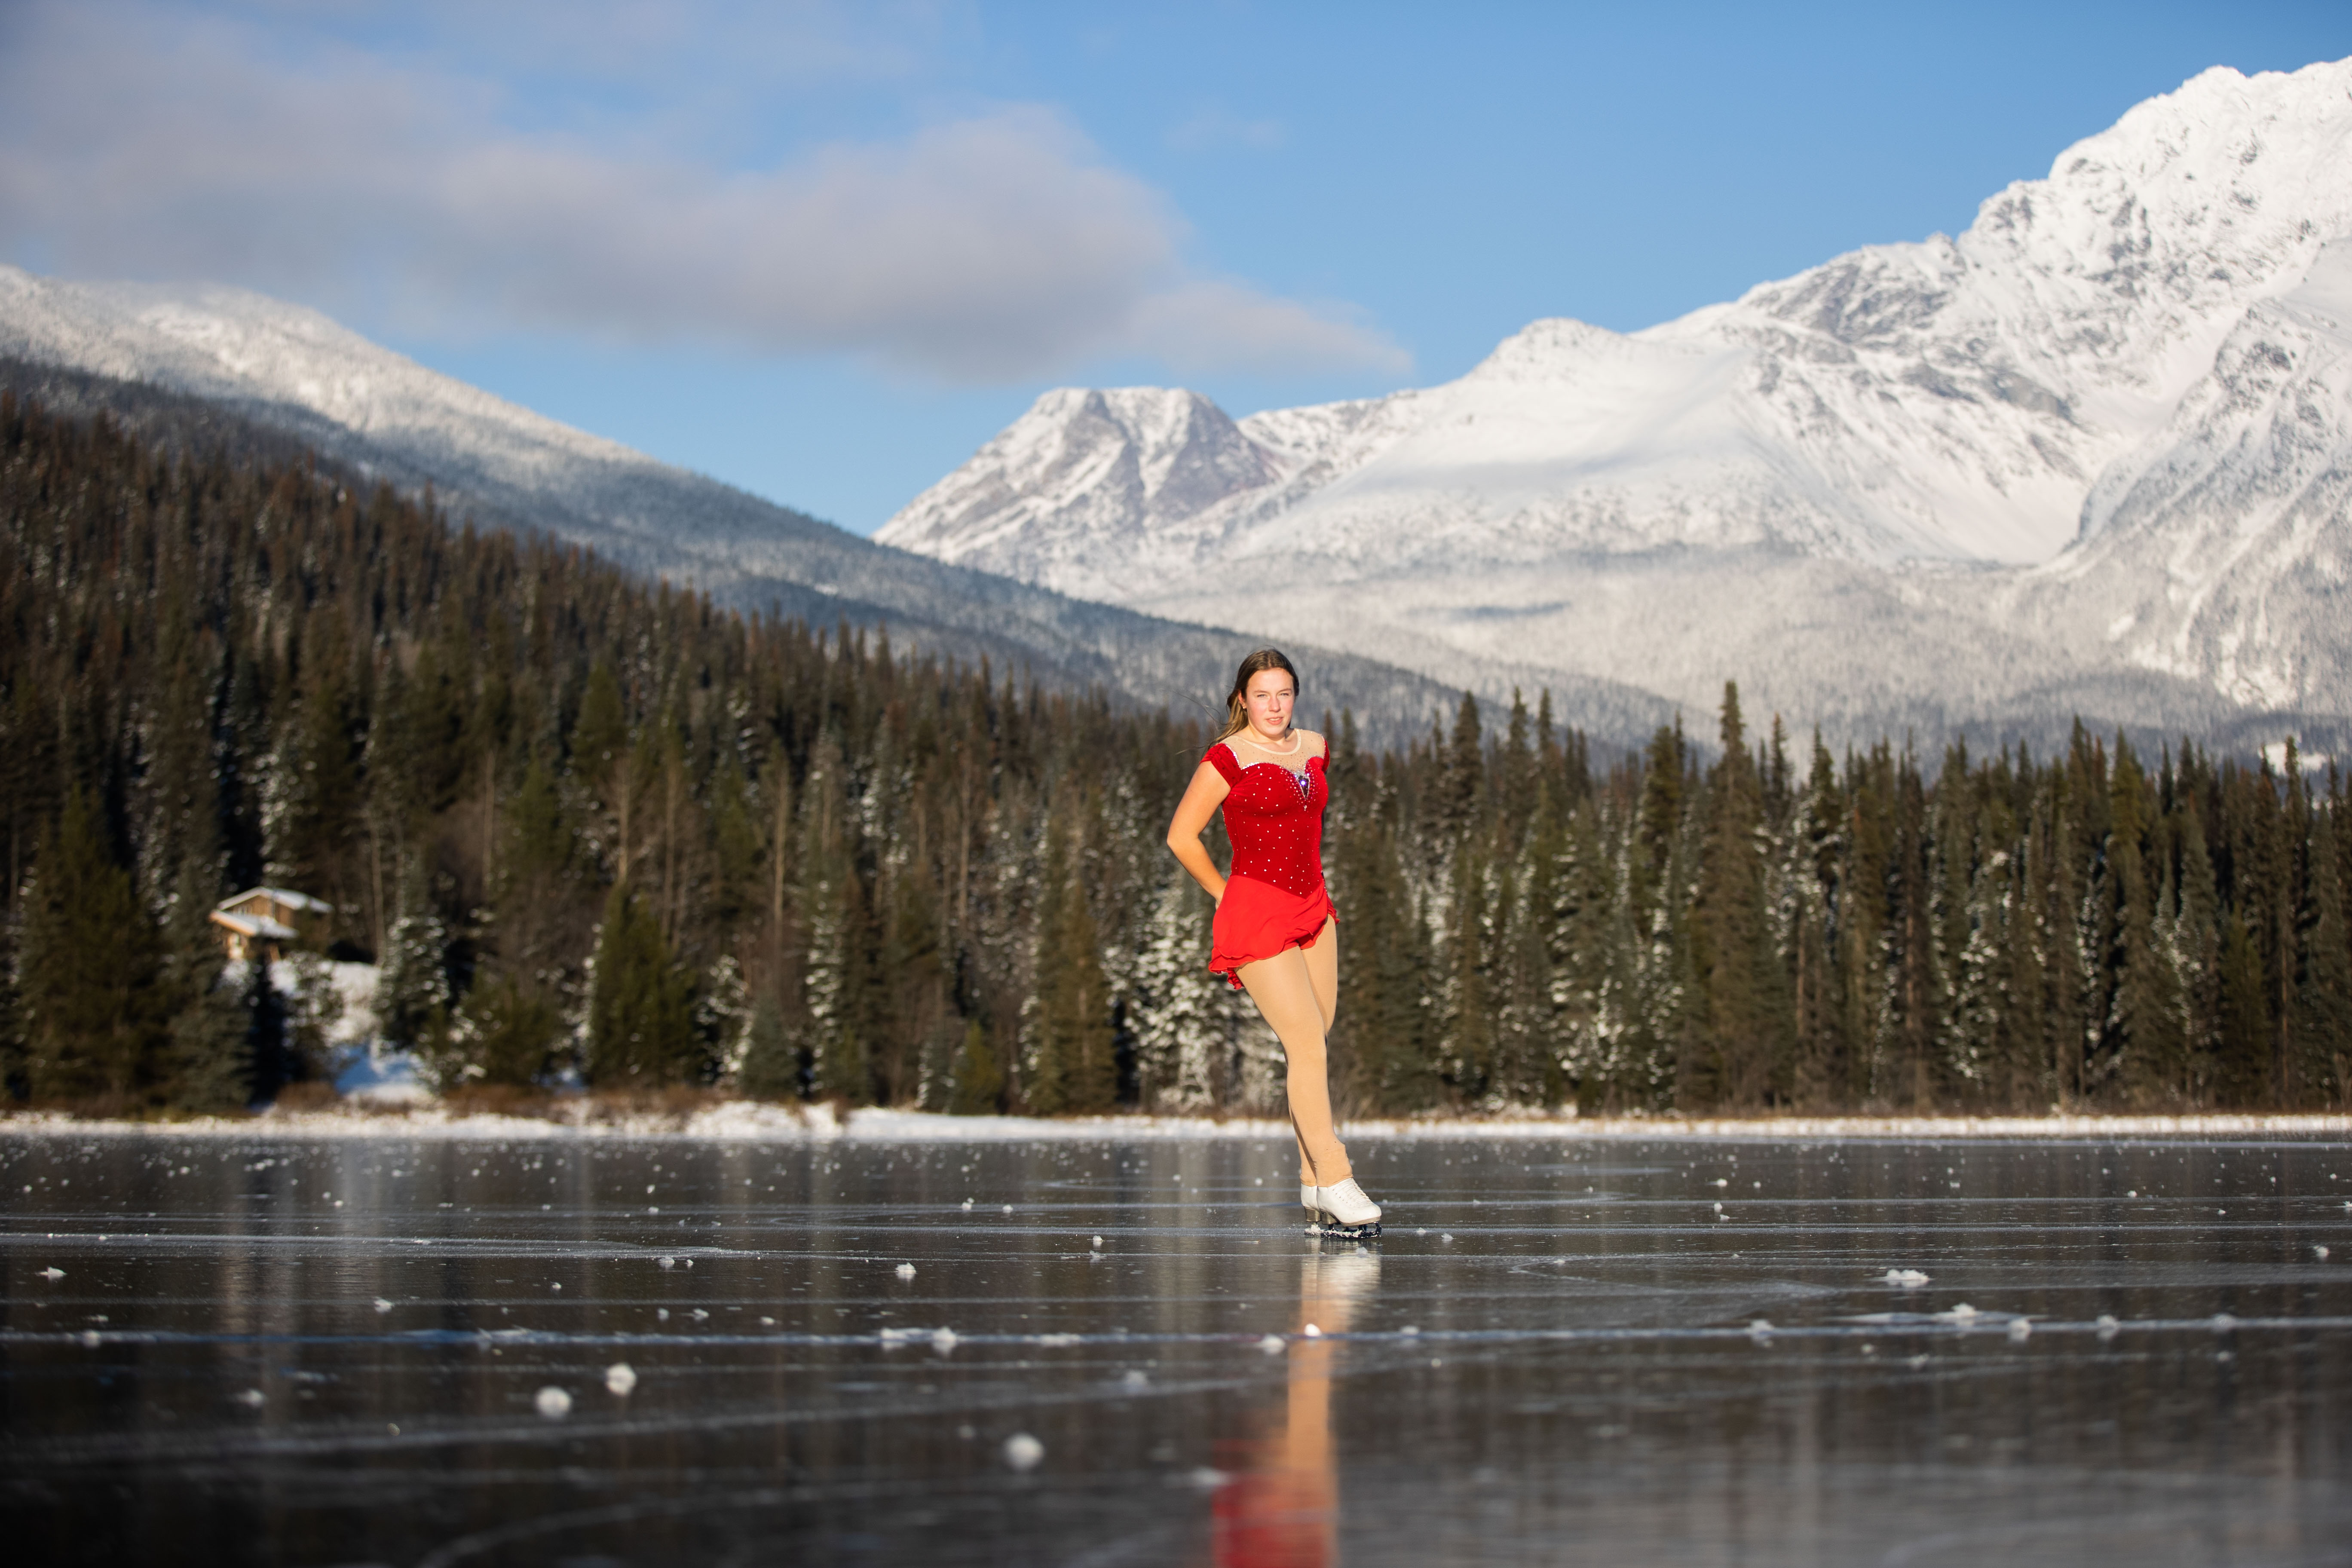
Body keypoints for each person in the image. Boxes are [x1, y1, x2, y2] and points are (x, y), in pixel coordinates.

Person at [1166, 649, 1383, 1236]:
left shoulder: (1315, 746)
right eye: (1262, 695)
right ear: (1242, 699)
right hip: (1255, 912)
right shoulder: (1226, 759)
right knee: (1307, 1043)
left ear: (1295, 696)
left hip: (1314, 908)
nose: (1274, 706)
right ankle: (1336, 1175)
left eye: (1283, 694)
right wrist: (1223, 893)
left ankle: (1313, 1187)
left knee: (1314, 1041)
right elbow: (1181, 836)